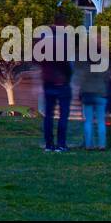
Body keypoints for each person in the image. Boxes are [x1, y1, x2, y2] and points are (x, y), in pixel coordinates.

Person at [40, 22, 73, 152]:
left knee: (48, 116)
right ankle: (61, 144)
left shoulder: (44, 47)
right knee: (63, 115)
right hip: (62, 84)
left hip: (48, 84)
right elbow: (66, 66)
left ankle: (49, 144)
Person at [75, 56, 108, 149]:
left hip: (87, 95)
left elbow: (81, 81)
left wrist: (80, 94)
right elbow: (108, 78)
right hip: (101, 94)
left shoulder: (85, 68)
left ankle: (89, 145)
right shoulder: (103, 68)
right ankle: (102, 145)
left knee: (88, 121)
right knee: (101, 121)